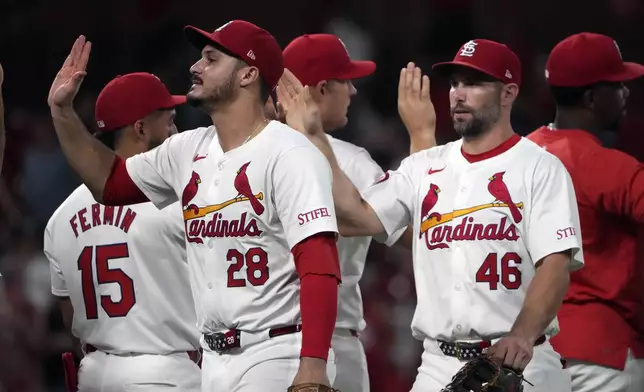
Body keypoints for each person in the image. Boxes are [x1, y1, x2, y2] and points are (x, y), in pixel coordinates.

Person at [47, 21, 340, 391]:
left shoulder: (290, 153)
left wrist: (312, 367)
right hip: (213, 359)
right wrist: (62, 113)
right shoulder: (186, 149)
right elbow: (109, 183)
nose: (195, 67)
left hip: (277, 350)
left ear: (249, 74)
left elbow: (320, 265)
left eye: (211, 58)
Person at [278, 38, 583, 392]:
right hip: (438, 364)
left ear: (508, 92)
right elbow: (355, 218)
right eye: (454, 83)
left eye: (473, 83)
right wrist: (314, 136)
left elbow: (555, 266)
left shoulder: (540, 168)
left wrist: (522, 336)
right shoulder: (424, 167)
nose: (458, 94)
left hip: (521, 361)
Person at [280, 33, 435, 392]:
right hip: (333, 344)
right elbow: (427, 233)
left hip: (247, 346)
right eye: (345, 80)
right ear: (319, 89)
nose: (352, 91)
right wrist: (422, 138)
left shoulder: (243, 155)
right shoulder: (350, 161)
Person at [44, 72, 201, 392]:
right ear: (141, 128)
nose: (176, 130)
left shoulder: (60, 216)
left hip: (94, 374)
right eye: (169, 121)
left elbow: (68, 314)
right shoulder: (177, 203)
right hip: (165, 374)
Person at [527, 32, 644, 392]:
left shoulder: (517, 156)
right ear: (593, 97)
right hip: (603, 354)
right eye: (617, 85)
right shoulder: (610, 167)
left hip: (529, 351)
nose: (626, 93)